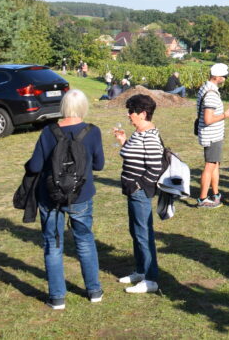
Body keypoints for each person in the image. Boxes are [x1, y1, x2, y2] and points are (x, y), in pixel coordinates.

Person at [25, 89, 104, 309]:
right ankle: (94, 291)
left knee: (53, 244)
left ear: (63, 107)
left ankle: (57, 297)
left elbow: (35, 166)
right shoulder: (93, 132)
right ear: (83, 107)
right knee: (85, 241)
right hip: (81, 195)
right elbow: (99, 165)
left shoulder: (49, 132)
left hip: (50, 197)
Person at [113, 94, 163, 294]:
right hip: (132, 191)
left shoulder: (149, 136)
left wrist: (138, 186)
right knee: (136, 232)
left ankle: (151, 279)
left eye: (131, 112)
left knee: (144, 234)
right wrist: (123, 141)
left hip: (139, 193)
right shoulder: (138, 133)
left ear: (142, 114)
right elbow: (132, 155)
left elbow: (155, 167)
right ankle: (141, 271)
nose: (128, 115)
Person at [195, 63, 229, 208]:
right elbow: (208, 119)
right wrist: (225, 115)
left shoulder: (206, 88)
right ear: (216, 77)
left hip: (211, 134)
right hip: (211, 135)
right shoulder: (211, 94)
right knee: (210, 165)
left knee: (215, 164)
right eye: (223, 76)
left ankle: (216, 194)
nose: (225, 79)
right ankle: (203, 199)